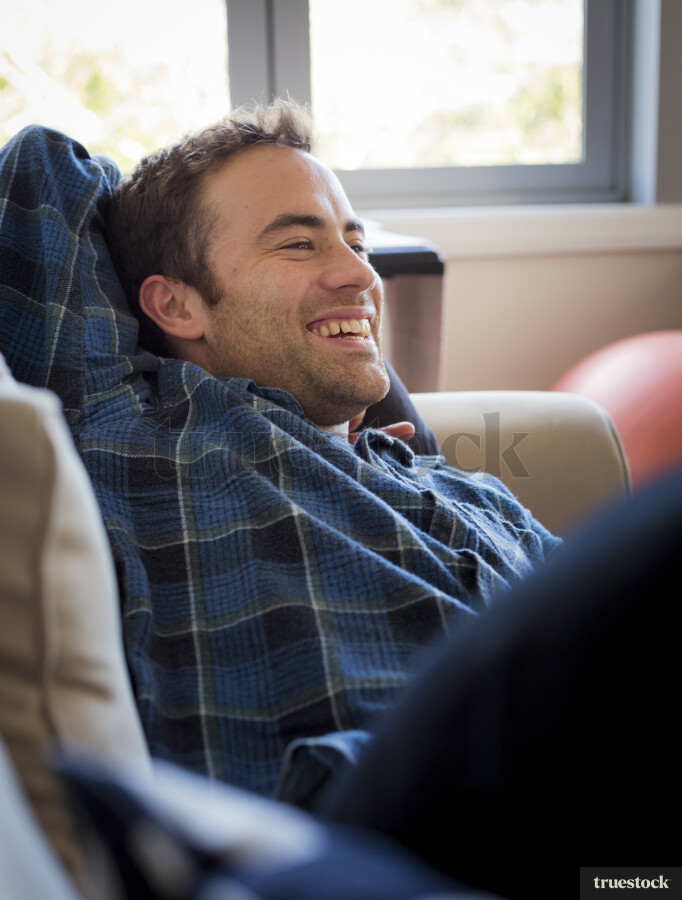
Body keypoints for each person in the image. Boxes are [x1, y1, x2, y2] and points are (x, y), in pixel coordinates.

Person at [100, 99, 561, 806]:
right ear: (176, 306)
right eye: (297, 243)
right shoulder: (155, 440)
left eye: (357, 243)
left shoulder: (464, 488)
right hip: (378, 826)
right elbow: (36, 171)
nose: (361, 278)